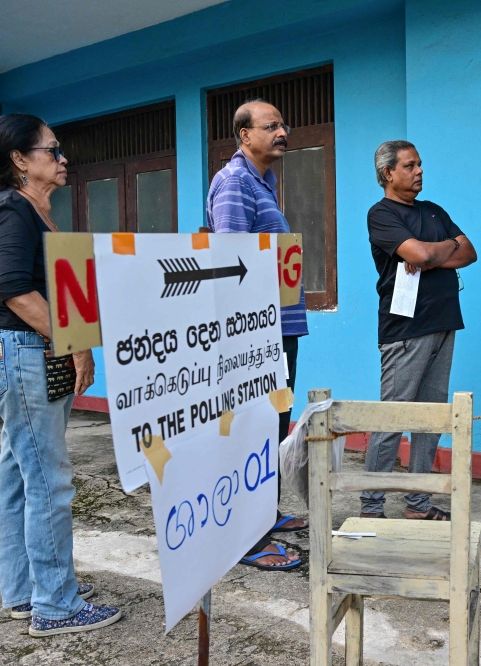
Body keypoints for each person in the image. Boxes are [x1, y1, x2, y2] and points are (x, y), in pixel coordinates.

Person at [0, 114, 122, 636]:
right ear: (20, 160)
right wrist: (73, 347)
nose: (63, 158)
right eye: (52, 150)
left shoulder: (24, 208)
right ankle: (56, 605)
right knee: (48, 480)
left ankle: (28, 592)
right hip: (23, 352)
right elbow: (15, 291)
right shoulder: (12, 210)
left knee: (18, 476)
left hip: (21, 352)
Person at [206, 99, 307, 570]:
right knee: (253, 429)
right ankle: (247, 537)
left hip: (278, 325)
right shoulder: (234, 184)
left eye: (283, 125)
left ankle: (265, 511)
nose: (282, 131)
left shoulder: (262, 182)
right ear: (244, 135)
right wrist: (245, 338)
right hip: (255, 333)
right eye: (271, 126)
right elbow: (228, 265)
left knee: (274, 424)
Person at [361, 140, 477, 520]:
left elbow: (469, 252)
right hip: (405, 331)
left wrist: (429, 254)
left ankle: (418, 503)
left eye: (420, 165)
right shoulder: (381, 215)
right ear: (387, 173)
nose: (419, 171)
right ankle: (371, 506)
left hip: (445, 323)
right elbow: (425, 255)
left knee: (431, 417)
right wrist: (438, 251)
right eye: (410, 166)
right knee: (392, 418)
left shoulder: (434, 211)